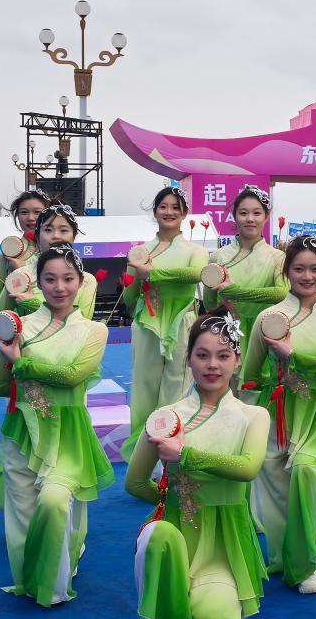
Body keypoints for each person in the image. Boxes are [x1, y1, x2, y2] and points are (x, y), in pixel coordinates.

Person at [0, 244, 115, 607]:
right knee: (22, 515)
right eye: (50, 279)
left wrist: (22, 363)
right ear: (39, 283)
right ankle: (30, 583)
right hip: (22, 430)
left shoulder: (94, 331)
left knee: (55, 504)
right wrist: (7, 357)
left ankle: (53, 585)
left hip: (68, 433)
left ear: (80, 282)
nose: (59, 287)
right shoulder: (21, 327)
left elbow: (73, 376)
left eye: (68, 279)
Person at [127, 311, 269, 619]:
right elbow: (135, 483)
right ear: (189, 359)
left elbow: (248, 468)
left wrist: (185, 456)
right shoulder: (166, 417)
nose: (212, 364)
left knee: (216, 611)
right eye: (202, 355)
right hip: (175, 533)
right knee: (160, 543)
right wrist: (179, 501)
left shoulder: (253, 416)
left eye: (223, 355)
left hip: (224, 542)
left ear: (237, 360)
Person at [240, 236, 316, 594]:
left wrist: (294, 356)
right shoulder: (268, 317)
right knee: (275, 493)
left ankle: (307, 565)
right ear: (287, 273)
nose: (307, 276)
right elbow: (249, 374)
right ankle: (282, 556)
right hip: (275, 413)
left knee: (307, 474)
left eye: (314, 269)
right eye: (299, 269)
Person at [120, 187, 209, 462]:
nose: (169, 212)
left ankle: (169, 456)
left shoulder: (196, 251)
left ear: (184, 213)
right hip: (147, 324)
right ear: (155, 211)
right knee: (143, 389)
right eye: (163, 206)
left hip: (182, 323)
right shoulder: (139, 252)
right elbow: (130, 295)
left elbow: (196, 274)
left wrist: (153, 273)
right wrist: (136, 281)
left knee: (176, 389)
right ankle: (143, 457)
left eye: (175, 207)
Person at [203, 186, 289, 364]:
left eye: (257, 213)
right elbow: (209, 302)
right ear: (234, 216)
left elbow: (281, 293)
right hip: (226, 336)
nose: (250, 219)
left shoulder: (278, 257)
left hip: (264, 335)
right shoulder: (218, 256)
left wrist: (235, 291)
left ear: (266, 217)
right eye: (243, 213)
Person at [0, 204, 99, 319]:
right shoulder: (19, 276)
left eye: (63, 230)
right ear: (38, 237)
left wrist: (31, 303)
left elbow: (83, 322)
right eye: (48, 230)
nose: (56, 236)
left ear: (73, 237)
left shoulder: (87, 280)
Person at [0, 190, 50, 310]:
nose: (30, 218)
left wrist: (21, 271)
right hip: (17, 318)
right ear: (17, 216)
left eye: (37, 212)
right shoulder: (8, 253)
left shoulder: (60, 252)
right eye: (24, 212)